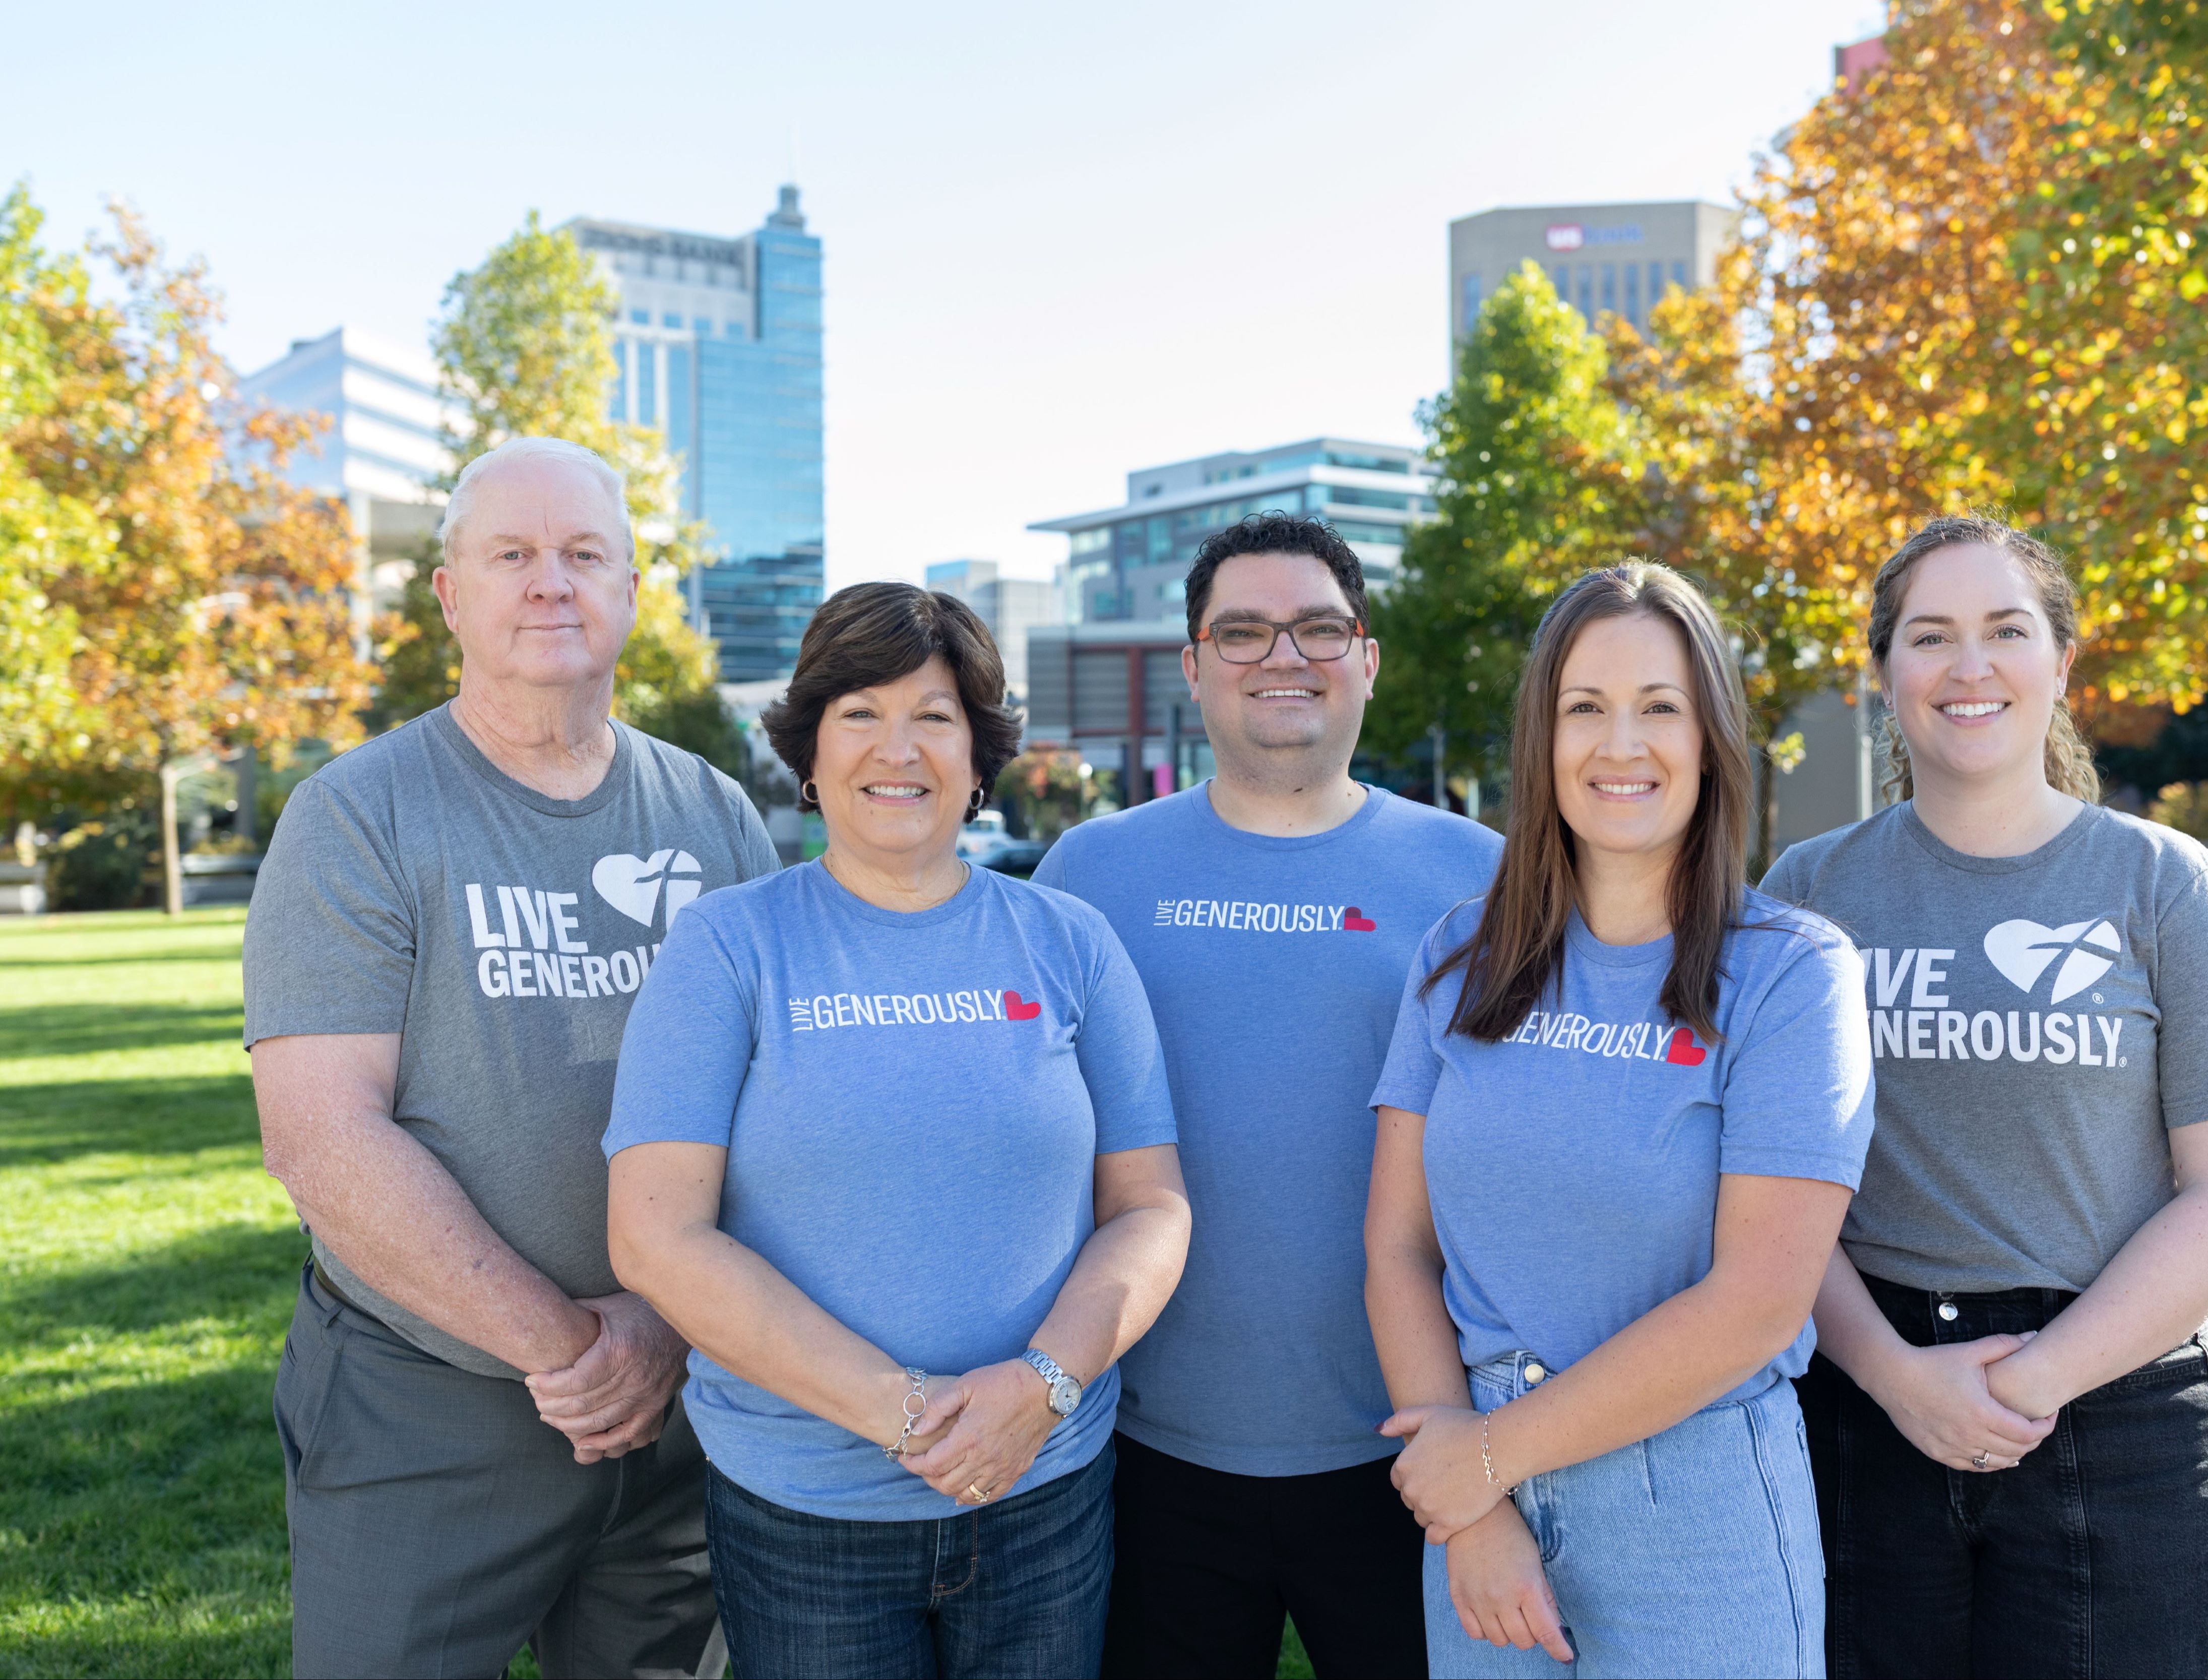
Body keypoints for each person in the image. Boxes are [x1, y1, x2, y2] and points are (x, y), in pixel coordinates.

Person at [244, 436, 778, 1678]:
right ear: (450, 594)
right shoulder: (359, 814)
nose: (552, 583)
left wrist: (662, 1322)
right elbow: (320, 1137)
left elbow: (777, 1108)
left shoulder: (712, 815)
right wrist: (570, 1347)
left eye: (585, 553)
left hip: (687, 1393)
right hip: (428, 1401)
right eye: (513, 554)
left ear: (635, 589)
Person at [603, 581, 1193, 1680]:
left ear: (978, 755)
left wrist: (1038, 1390)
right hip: (803, 1513)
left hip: (1046, 1492)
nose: (898, 746)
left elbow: (1150, 1208)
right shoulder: (727, 948)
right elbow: (655, 1236)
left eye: (934, 714)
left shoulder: (1071, 942)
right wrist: (909, 1416)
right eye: (859, 712)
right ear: (810, 753)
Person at [1761, 515, 2208, 1678]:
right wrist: (1897, 1377)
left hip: (2121, 1404)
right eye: (1930, 635)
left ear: (2061, 662)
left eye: (2005, 629)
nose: (1968, 666)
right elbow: (1759, 1185)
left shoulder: (2163, 883)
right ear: (1883, 670)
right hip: (1863, 1396)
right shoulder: (1807, 891)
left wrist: (2029, 1382)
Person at [1364, 562, 1874, 1679]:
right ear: (1541, 739)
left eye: (1659, 707)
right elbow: (1397, 1248)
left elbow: (1757, 1301)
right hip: (1476, 1491)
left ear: (1709, 738)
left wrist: (1486, 1458)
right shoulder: (1459, 955)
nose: (1619, 743)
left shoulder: (1791, 973)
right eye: (1583, 707)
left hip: (1691, 1495)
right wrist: (1475, 1508)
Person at [1033, 514, 1502, 1679]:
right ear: (1191, 665)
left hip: (1411, 1437)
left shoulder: (1484, 876)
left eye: (1317, 629)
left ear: (1367, 658)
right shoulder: (1088, 874)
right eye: (1241, 632)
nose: (1281, 656)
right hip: (1144, 1441)